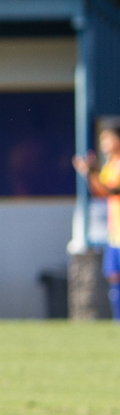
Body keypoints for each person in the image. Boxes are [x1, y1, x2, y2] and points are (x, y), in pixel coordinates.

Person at [73, 118, 120, 321]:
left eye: (107, 138)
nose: (103, 144)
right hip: (115, 231)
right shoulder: (110, 165)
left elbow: (114, 189)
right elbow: (102, 193)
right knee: (113, 277)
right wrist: (89, 174)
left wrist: (93, 172)